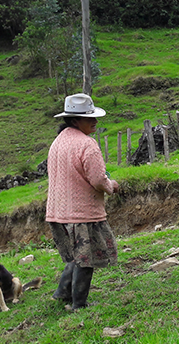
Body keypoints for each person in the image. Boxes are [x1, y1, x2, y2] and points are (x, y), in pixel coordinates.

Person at [47, 93, 120, 312]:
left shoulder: (58, 142)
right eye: (90, 118)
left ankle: (61, 292)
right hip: (82, 212)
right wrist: (111, 186)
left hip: (59, 210)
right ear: (75, 120)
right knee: (85, 258)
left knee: (75, 254)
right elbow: (98, 179)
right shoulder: (87, 144)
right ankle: (79, 303)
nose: (95, 122)